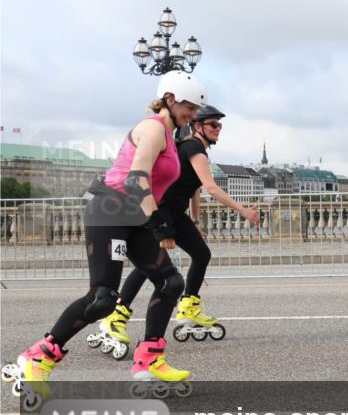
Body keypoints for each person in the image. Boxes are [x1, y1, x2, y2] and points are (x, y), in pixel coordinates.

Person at [1, 72, 206, 408]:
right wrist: (161, 226)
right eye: (188, 106)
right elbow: (137, 177)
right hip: (110, 213)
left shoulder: (172, 135)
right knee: (102, 299)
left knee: (170, 282)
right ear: (169, 98)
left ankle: (150, 359)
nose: (192, 114)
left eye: (196, 108)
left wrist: (157, 219)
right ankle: (37, 359)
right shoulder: (153, 128)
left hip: (135, 218)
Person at [89, 104, 260, 358]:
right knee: (150, 267)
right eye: (214, 125)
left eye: (220, 125)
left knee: (200, 254)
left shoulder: (193, 148)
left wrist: (195, 220)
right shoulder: (193, 148)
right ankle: (116, 315)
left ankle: (188, 305)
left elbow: (194, 189)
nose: (218, 130)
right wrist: (243, 210)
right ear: (198, 126)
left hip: (175, 213)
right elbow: (211, 187)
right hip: (161, 211)